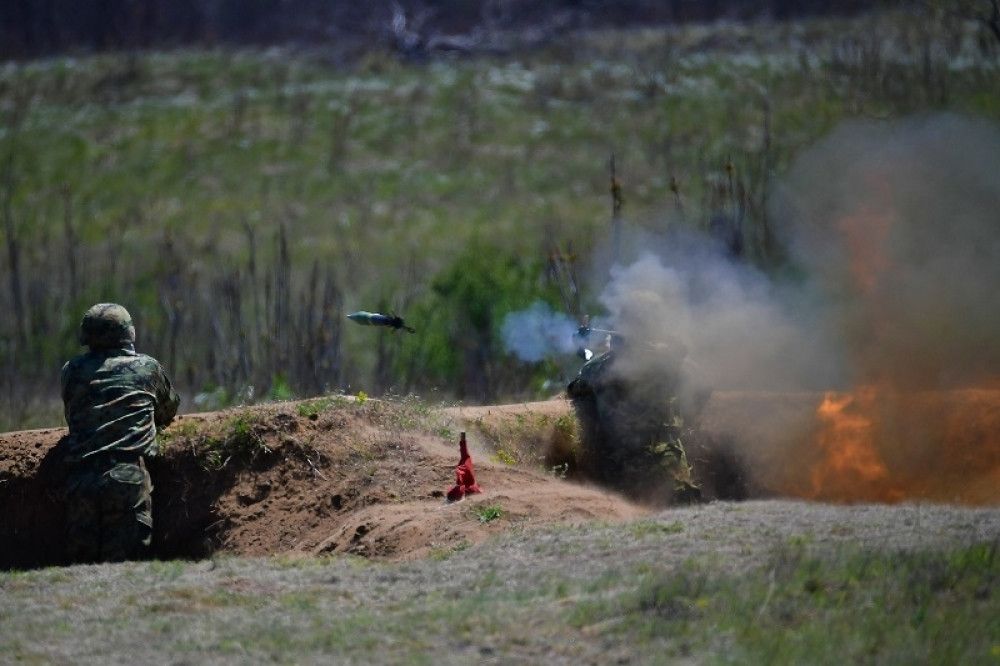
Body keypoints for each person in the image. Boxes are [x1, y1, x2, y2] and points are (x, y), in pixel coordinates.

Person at [54, 302, 180, 563]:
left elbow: (73, 415)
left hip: (81, 479)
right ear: (128, 333)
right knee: (126, 569)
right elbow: (167, 411)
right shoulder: (148, 367)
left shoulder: (72, 370)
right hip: (128, 477)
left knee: (79, 570)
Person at [567, 293, 703, 505]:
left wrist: (582, 350)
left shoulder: (595, 369)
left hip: (621, 477)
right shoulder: (669, 361)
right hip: (669, 469)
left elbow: (579, 387)